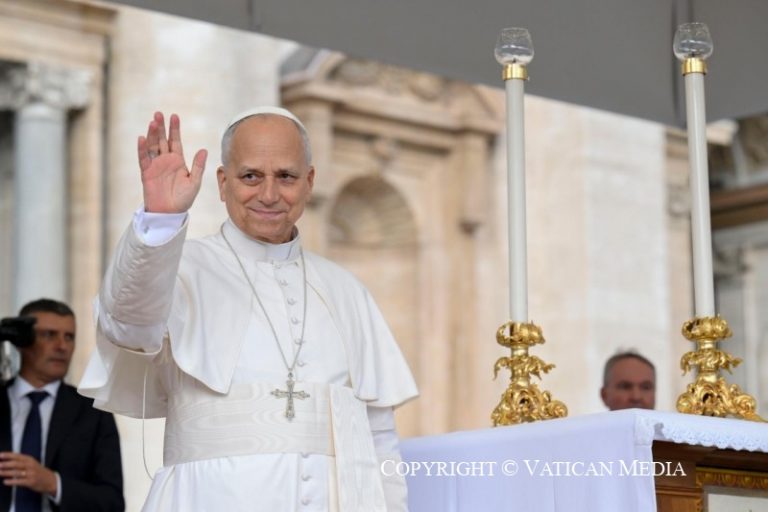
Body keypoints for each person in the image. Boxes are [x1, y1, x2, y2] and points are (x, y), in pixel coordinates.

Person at [79, 107, 418, 511]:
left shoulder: (347, 291)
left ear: (309, 182)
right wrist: (161, 220)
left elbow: (379, 437)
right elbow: (126, 327)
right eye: (251, 176)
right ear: (223, 183)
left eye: (286, 176)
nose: (269, 194)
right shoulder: (178, 267)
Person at [0, 299, 124, 512]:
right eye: (49, 335)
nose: (62, 346)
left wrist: (53, 484)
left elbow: (112, 503)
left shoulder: (94, 413)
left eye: (69, 337)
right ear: (21, 341)